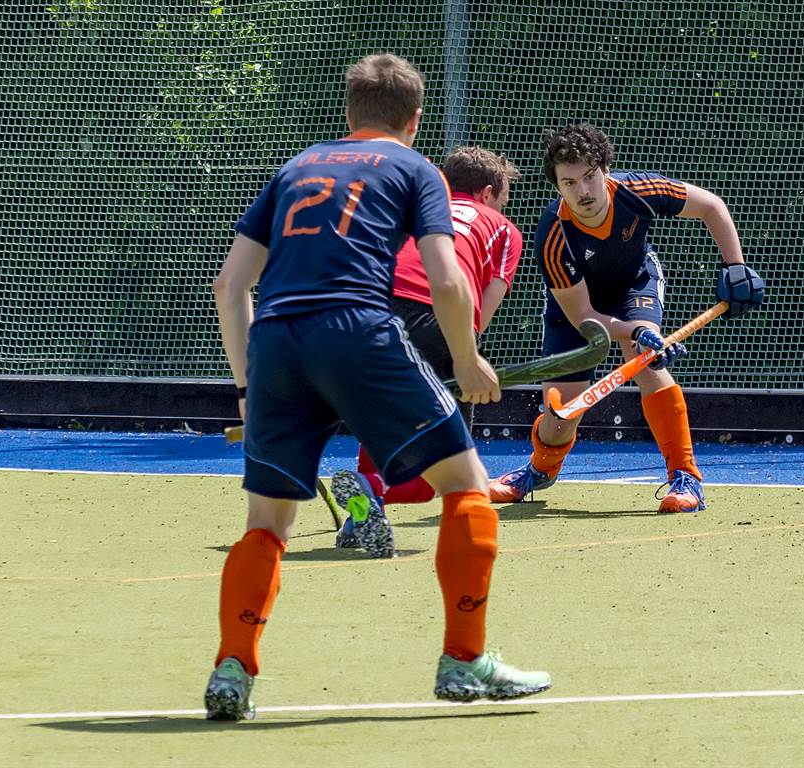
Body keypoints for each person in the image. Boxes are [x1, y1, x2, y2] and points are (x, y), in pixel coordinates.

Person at [205, 53, 551, 721]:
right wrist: (467, 358)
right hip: (361, 328)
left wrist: (248, 388)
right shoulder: (416, 169)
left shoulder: (296, 167)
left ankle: (232, 669)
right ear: (414, 120)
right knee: (465, 485)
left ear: (348, 113)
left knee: (267, 524)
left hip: (275, 341)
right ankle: (464, 659)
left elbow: (230, 285)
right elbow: (447, 280)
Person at [488, 122, 765, 513]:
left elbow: (711, 206)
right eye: (570, 183)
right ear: (557, 187)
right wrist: (634, 330)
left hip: (636, 284)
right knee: (561, 415)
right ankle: (539, 468)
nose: (583, 192)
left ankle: (685, 478)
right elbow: (584, 316)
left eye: (590, 177)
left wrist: (735, 266)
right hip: (577, 308)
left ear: (605, 169)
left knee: (647, 361)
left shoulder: (639, 190)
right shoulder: (553, 235)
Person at [330, 146, 523, 546]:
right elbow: (482, 313)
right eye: (503, 199)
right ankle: (450, 526)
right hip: (437, 316)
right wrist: (467, 361)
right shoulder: (504, 229)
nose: (503, 207)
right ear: (488, 193)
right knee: (445, 465)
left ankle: (364, 510)